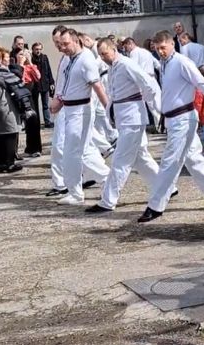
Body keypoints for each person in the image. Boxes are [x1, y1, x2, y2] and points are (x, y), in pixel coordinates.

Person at [137, 30, 204, 223]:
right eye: (157, 48)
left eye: (163, 47)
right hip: (174, 118)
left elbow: (200, 82)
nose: (160, 51)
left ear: (172, 44)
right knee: (193, 159)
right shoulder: (164, 63)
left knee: (170, 161)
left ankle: (156, 205)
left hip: (184, 118)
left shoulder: (182, 62)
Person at [85, 38, 161, 213]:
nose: (103, 57)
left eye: (105, 53)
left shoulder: (127, 64)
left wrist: (158, 112)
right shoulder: (112, 68)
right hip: (124, 118)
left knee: (120, 160)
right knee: (140, 159)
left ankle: (108, 200)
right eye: (101, 55)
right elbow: (114, 95)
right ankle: (167, 187)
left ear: (114, 49)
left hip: (133, 120)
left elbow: (149, 85)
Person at [51, 28, 110, 206]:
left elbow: (98, 86)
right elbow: (64, 82)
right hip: (69, 109)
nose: (62, 47)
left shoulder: (85, 60)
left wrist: (109, 109)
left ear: (76, 41)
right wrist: (58, 100)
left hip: (80, 109)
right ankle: (104, 180)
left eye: (66, 43)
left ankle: (78, 192)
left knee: (72, 152)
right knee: (81, 150)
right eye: (60, 44)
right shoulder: (69, 59)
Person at [17, 50, 43, 157]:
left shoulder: (31, 66)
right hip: (20, 94)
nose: (24, 56)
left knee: (33, 121)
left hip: (30, 94)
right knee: (23, 124)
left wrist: (30, 62)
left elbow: (38, 76)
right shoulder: (16, 67)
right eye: (21, 54)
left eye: (26, 54)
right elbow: (19, 79)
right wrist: (21, 65)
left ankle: (35, 148)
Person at [31, 42, 55, 128]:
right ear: (33, 49)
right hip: (34, 85)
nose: (38, 51)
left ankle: (47, 121)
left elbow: (49, 70)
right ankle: (36, 122)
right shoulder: (31, 58)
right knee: (35, 105)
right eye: (36, 49)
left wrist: (51, 82)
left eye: (40, 49)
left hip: (44, 84)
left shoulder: (44, 58)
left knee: (45, 104)